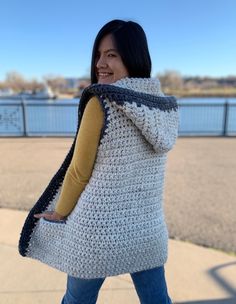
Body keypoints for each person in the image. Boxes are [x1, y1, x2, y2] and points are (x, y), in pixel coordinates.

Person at [19, 19, 179, 303]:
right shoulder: (162, 107)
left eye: (112, 55)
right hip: (147, 230)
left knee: (77, 300)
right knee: (157, 299)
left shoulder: (102, 102)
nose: (100, 64)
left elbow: (79, 172)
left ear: (133, 56)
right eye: (98, 54)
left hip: (98, 231)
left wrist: (59, 212)